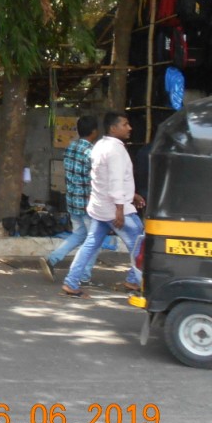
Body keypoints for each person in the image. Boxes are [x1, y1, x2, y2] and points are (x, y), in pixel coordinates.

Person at [61, 112, 145, 297]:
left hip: (99, 207)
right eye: (125, 124)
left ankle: (71, 282)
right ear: (113, 128)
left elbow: (105, 179)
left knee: (90, 244)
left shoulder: (99, 145)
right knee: (140, 244)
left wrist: (131, 194)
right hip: (114, 209)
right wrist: (120, 210)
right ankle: (139, 282)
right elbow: (115, 181)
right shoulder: (116, 150)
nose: (129, 128)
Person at [39, 116, 101, 283]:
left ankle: (52, 259)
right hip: (88, 203)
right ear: (94, 131)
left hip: (72, 200)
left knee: (79, 234)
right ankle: (84, 275)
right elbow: (92, 180)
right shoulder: (92, 152)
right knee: (93, 240)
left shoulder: (71, 147)